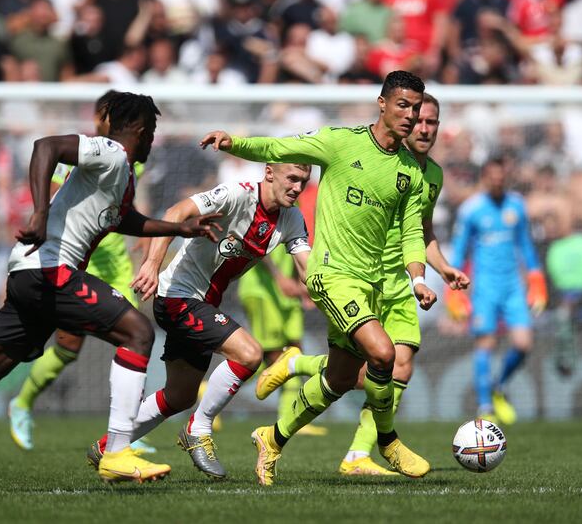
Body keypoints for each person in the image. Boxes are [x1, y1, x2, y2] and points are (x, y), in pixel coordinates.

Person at [0, 91, 221, 490]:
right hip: (50, 270)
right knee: (137, 333)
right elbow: (46, 146)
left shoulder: (121, 172)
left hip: (28, 273)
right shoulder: (109, 151)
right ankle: (117, 451)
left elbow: (124, 220)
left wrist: (177, 228)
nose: (153, 139)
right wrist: (39, 211)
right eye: (152, 130)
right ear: (139, 128)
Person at [200, 70, 437, 486]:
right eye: (402, 105)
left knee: (341, 379)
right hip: (331, 274)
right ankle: (388, 441)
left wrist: (418, 278)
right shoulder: (340, 142)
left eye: (416, 108)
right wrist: (234, 141)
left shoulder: (410, 172)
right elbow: (279, 146)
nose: (410, 115)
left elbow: (413, 232)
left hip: (373, 284)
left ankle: (271, 439)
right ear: (381, 104)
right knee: (384, 356)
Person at [255, 93, 470, 475]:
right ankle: (310, 380)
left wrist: (442, 268)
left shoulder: (431, 175)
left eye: (431, 121)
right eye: (418, 118)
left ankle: (356, 453)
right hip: (360, 279)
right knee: (358, 371)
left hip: (400, 282)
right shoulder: (378, 158)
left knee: (397, 367)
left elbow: (421, 231)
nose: (423, 127)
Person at [86, 162, 313, 480]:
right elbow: (174, 212)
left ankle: (108, 446)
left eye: (304, 181)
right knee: (249, 354)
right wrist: (152, 264)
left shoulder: (291, 219)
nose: (297, 188)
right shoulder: (237, 194)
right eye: (292, 178)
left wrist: (328, 292)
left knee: (179, 395)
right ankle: (199, 429)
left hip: (203, 303)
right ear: (270, 172)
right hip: (178, 296)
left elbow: (308, 268)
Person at [8, 90, 152, 455]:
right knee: (69, 347)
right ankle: (22, 402)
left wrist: (150, 246)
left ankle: (127, 430)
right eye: (102, 113)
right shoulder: (81, 149)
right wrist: (39, 221)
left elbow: (134, 202)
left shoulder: (131, 155)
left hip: (114, 262)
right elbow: (57, 196)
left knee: (135, 334)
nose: (102, 120)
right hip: (71, 257)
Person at [449, 158, 547, 424]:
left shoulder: (516, 205)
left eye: (501, 176)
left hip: (514, 286)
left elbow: (525, 245)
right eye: (492, 176)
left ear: (507, 176)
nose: (497, 180)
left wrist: (536, 278)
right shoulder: (472, 210)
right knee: (486, 342)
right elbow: (459, 250)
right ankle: (484, 406)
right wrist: (454, 291)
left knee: (523, 343)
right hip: (485, 287)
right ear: (484, 177)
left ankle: (498, 386)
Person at [239, 244, 328, 437]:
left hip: (286, 296)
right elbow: (256, 247)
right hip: (263, 291)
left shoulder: (297, 215)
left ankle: (292, 418)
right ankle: (218, 386)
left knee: (294, 353)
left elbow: (298, 250)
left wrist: (304, 284)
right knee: (275, 356)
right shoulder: (267, 214)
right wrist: (279, 278)